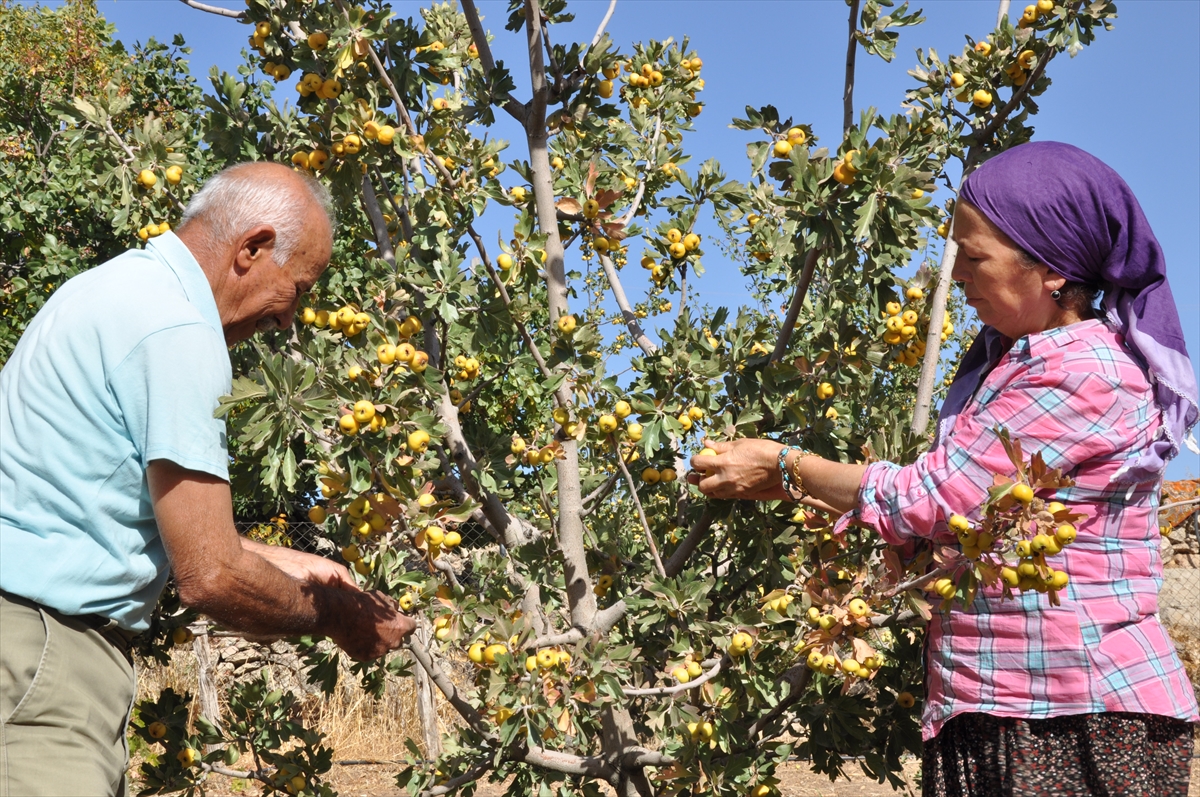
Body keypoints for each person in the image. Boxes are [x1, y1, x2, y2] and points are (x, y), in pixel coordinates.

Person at [689, 142, 1199, 795]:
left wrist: (788, 466)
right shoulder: (1010, 365)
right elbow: (970, 505)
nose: (955, 273)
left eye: (973, 254)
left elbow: (939, 493)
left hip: (1071, 713)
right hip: (1007, 705)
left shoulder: (1076, 368)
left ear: (1048, 267)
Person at [0, 162, 416, 797]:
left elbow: (115, 511)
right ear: (251, 249)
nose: (288, 321)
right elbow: (211, 576)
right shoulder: (178, 334)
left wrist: (303, 566)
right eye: (298, 287)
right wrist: (338, 614)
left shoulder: (110, 289)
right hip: (46, 662)